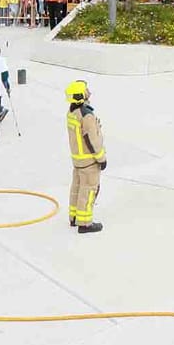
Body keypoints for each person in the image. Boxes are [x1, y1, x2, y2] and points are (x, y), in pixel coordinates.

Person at [65, 81, 105, 235]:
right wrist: (101, 158)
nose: (89, 92)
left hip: (77, 160)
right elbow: (91, 139)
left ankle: (74, 217)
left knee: (76, 188)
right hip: (89, 160)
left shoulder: (72, 112)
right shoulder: (86, 115)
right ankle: (85, 223)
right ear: (80, 95)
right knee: (88, 191)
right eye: (86, 90)